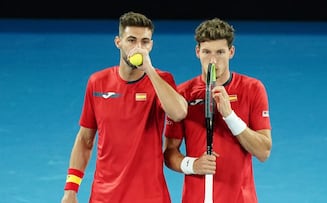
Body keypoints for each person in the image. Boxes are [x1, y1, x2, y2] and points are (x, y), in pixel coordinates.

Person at [60, 11, 188, 203]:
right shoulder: (97, 82)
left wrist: (150, 71)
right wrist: (71, 189)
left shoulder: (162, 80)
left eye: (145, 42)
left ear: (151, 45)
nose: (138, 48)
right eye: (131, 40)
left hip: (150, 196)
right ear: (118, 42)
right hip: (105, 196)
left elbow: (178, 113)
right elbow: (85, 140)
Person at [163, 18, 272, 203]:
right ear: (197, 52)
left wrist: (230, 116)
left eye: (220, 52)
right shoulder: (181, 94)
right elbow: (169, 152)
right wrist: (192, 165)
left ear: (231, 52)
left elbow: (263, 151)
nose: (213, 60)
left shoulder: (253, 89)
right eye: (206, 52)